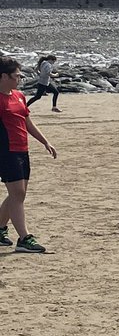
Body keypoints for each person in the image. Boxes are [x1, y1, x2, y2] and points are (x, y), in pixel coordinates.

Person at [0, 56, 57, 253]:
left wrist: (45, 141)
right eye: (17, 75)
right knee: (18, 194)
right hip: (6, 152)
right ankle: (24, 238)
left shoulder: (18, 95)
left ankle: (0, 230)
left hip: (22, 149)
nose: (20, 78)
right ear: (4, 76)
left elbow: (27, 123)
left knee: (17, 194)